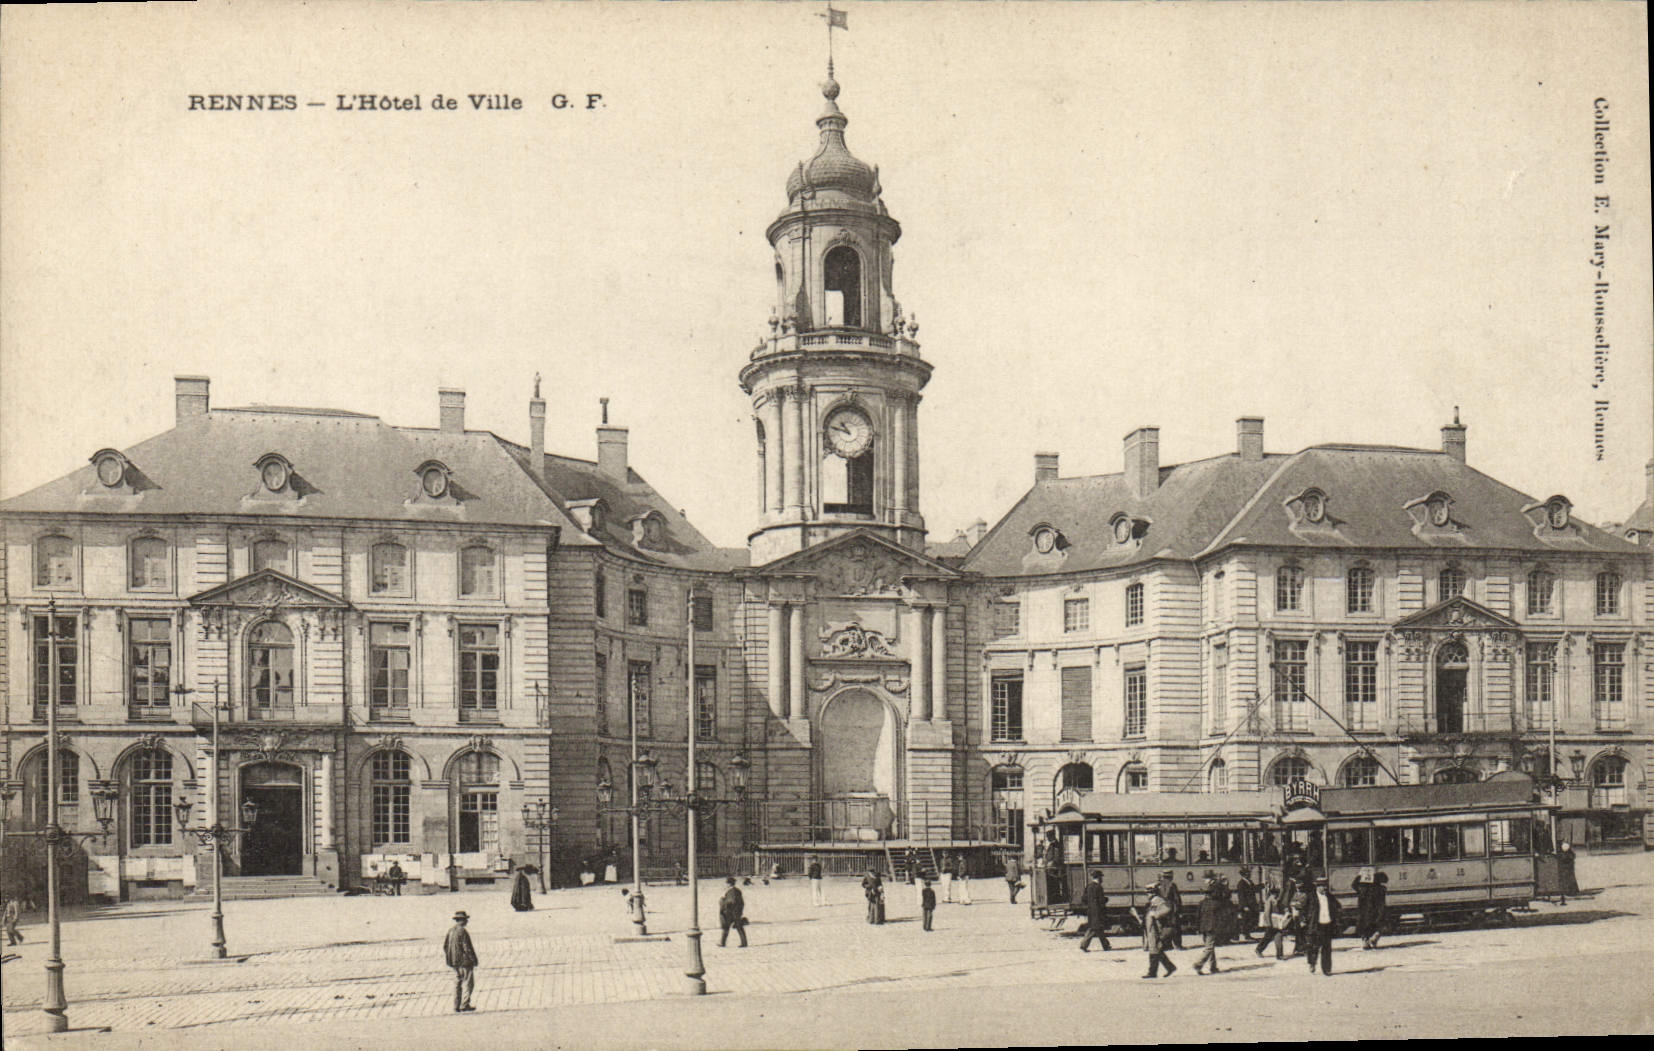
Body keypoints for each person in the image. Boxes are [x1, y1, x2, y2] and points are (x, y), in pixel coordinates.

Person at [1303, 875, 1344, 975]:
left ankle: (1326, 969)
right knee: (1313, 947)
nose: (1324, 888)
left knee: (1327, 947)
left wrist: (1336, 917)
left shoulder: (1330, 897)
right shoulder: (1311, 897)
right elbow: (1303, 909)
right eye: (1322, 886)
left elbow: (1338, 907)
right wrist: (1305, 921)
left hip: (1327, 925)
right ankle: (1312, 963)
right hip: (1315, 925)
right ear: (1317, 887)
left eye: (1325, 886)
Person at [1193, 871, 1229, 975]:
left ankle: (1212, 967)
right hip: (1212, 926)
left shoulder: (1203, 902)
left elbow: (1198, 916)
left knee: (1209, 946)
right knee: (1209, 947)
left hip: (1205, 926)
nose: (1204, 881)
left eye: (1205, 879)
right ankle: (1199, 964)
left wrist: (1197, 927)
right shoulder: (1216, 903)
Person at [444, 910, 478, 1013]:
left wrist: (450, 957)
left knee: (457, 983)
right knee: (468, 983)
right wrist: (473, 959)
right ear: (461, 921)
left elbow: (445, 946)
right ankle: (465, 1004)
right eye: (465, 920)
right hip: (464, 962)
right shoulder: (462, 931)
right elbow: (466, 947)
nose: (467, 921)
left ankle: (456, 1005)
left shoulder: (451, 931)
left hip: (453, 962)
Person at [1141, 890, 1178, 979]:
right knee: (1156, 950)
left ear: (1153, 893)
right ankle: (1170, 967)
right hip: (1151, 929)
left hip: (1155, 929)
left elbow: (1167, 909)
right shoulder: (1153, 901)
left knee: (1154, 950)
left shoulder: (1158, 900)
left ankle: (1152, 972)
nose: (1147, 895)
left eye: (1148, 893)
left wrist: (1156, 915)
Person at [1254, 871, 1290, 960]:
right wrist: (1269, 924)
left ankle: (1279, 955)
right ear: (1271, 894)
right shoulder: (1269, 901)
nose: (1276, 896)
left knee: (1278, 937)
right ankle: (1259, 949)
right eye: (1274, 894)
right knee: (1267, 937)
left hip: (1277, 922)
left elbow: (1282, 908)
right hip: (1271, 922)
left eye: (1277, 894)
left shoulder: (1277, 900)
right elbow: (1267, 912)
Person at [1078, 871, 1110, 952]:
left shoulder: (1088, 886)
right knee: (1094, 929)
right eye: (1101, 877)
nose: (1102, 879)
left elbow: (1083, 899)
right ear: (1098, 878)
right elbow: (1101, 900)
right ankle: (1084, 945)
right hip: (1098, 911)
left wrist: (1090, 904)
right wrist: (1106, 899)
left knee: (1099, 929)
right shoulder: (1099, 887)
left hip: (1090, 911)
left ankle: (1106, 946)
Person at [1154, 869, 1184, 950]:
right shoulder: (1172, 885)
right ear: (1171, 877)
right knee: (1175, 927)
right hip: (1172, 908)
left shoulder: (1158, 885)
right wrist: (1179, 910)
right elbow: (1177, 899)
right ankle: (1178, 945)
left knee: (1164, 926)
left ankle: (1167, 945)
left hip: (1161, 908)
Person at [718, 876, 748, 947]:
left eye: (726, 883)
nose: (725, 885)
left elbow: (731, 902)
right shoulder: (737, 890)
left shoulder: (731, 891)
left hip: (731, 912)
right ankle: (744, 943)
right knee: (739, 927)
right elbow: (741, 903)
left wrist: (723, 902)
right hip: (736, 912)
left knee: (727, 927)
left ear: (729, 884)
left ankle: (723, 943)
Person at [1234, 866, 1259, 942]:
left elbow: (1254, 889)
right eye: (1247, 873)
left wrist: (1261, 886)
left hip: (1251, 904)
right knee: (1245, 920)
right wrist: (1244, 906)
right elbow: (1241, 896)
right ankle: (1245, 935)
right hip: (1246, 905)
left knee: (1249, 920)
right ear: (1244, 875)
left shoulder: (1249, 882)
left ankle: (1247, 935)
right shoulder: (1241, 884)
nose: (1249, 874)